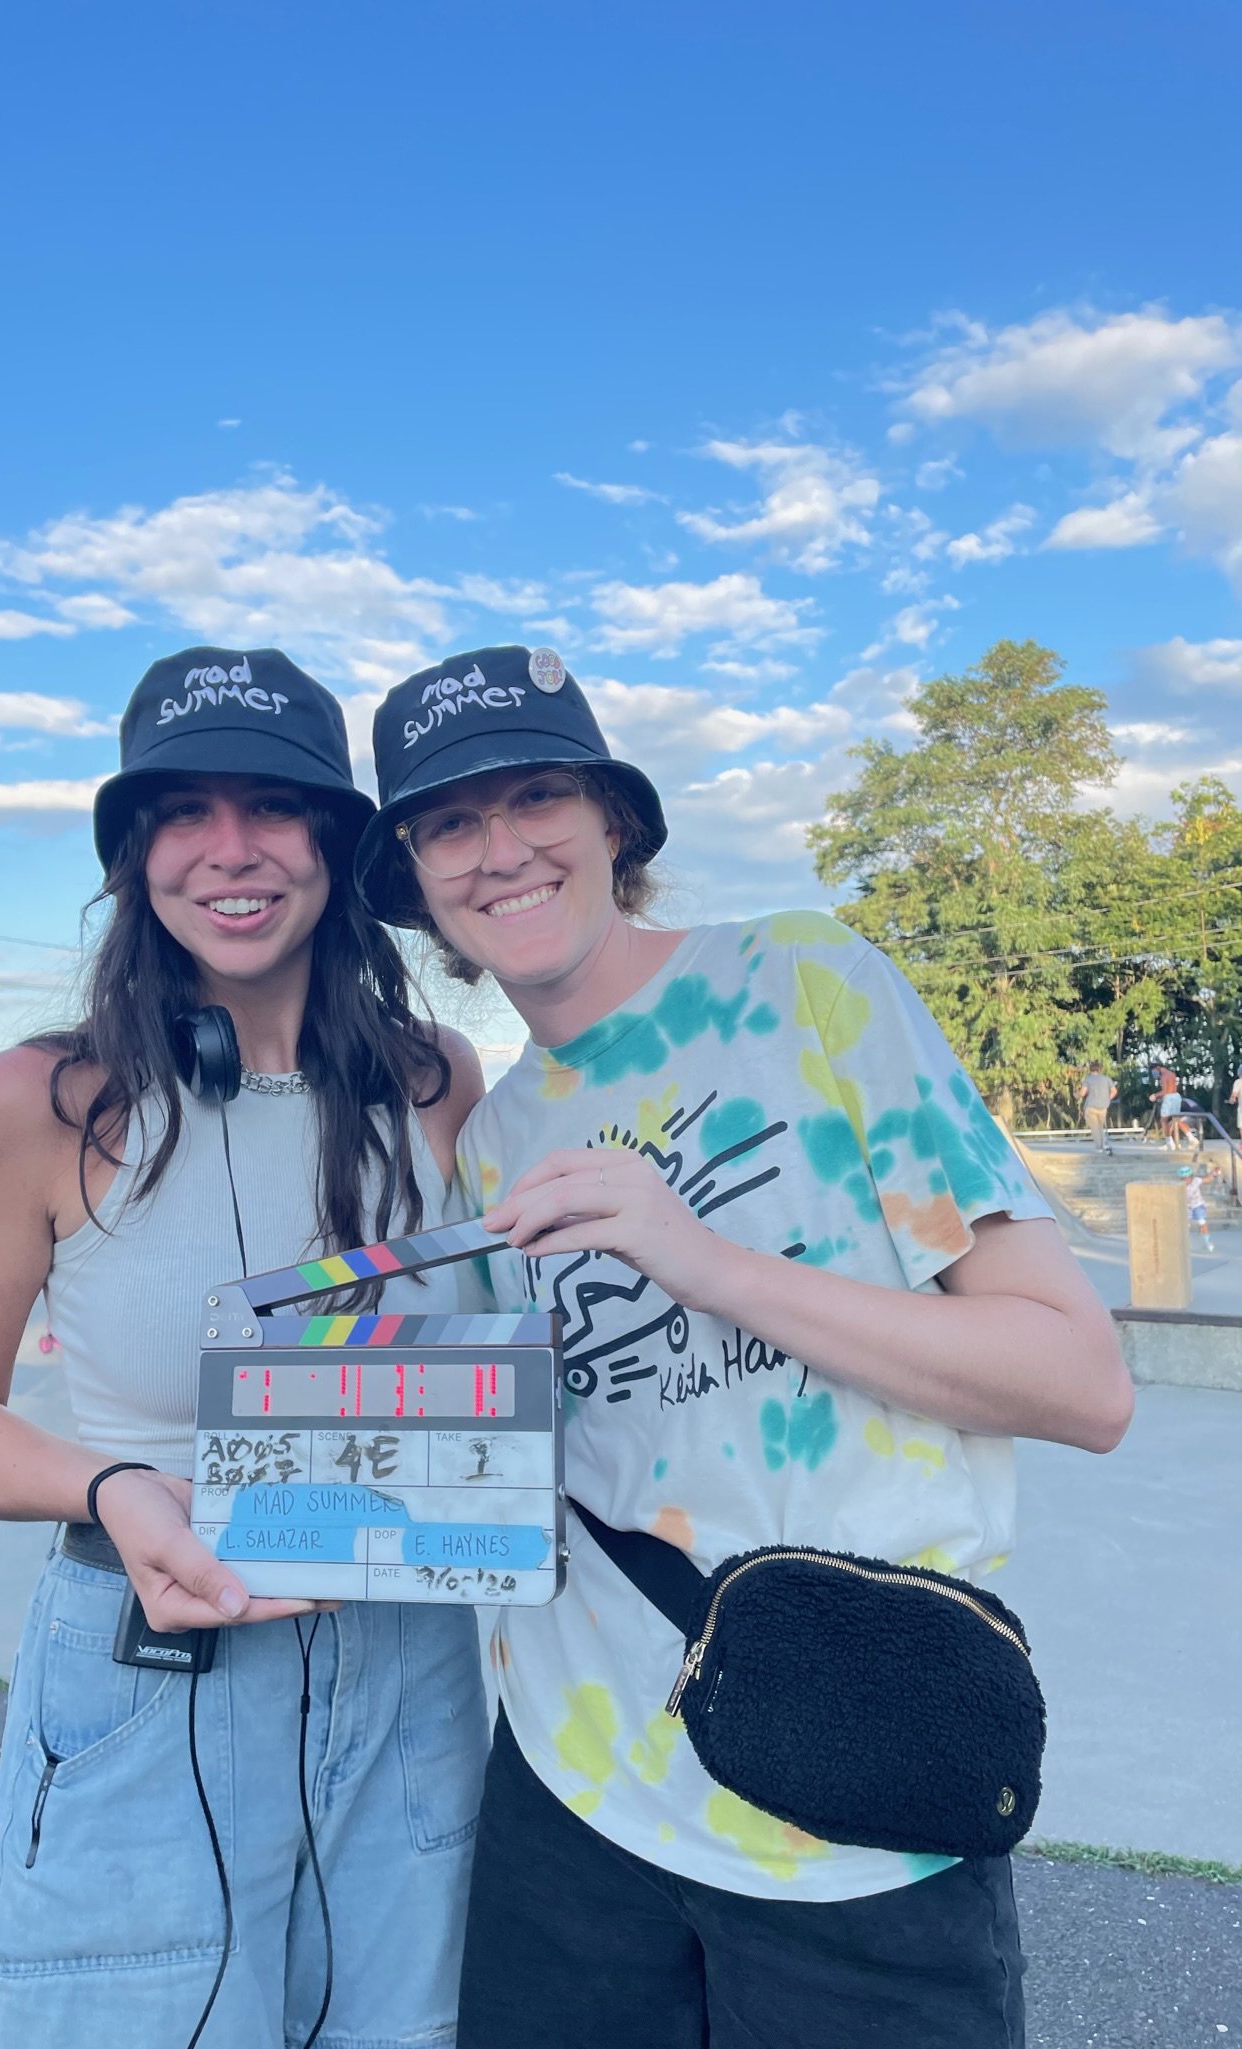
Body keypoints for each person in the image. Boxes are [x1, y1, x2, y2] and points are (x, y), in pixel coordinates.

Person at [356, 645, 1135, 2049]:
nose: (500, 850)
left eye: (537, 797)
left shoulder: (806, 981)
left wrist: (707, 1262)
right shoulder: (493, 1141)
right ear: (415, 880)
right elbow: (502, 1469)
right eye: (448, 825)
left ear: (615, 822)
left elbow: (1081, 1384)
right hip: (571, 1797)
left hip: (849, 1791)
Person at [0, 648, 486, 2049]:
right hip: (149, 1658)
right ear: (135, 854)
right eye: (183, 812)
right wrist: (114, 1488)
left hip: (409, 1664)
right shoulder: (38, 1102)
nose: (232, 849)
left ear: (335, 842)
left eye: (274, 806)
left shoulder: (436, 1080)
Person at [1079, 1063, 1116, 1151]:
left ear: (1090, 1069)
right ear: (1099, 1069)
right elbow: (1114, 1091)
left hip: (1091, 1107)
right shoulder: (1106, 1079)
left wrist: (1076, 1095)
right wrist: (1107, 1099)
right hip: (1103, 1107)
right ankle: (1104, 1144)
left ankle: (1100, 1147)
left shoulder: (1088, 1079)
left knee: (1095, 1128)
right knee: (1101, 1127)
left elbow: (1082, 1093)